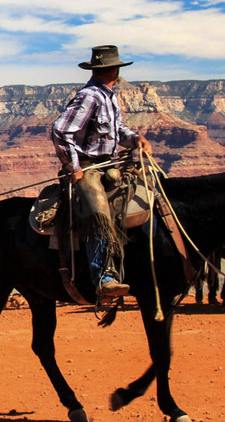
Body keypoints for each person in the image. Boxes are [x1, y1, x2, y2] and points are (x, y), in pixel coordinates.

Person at [50, 45, 152, 298]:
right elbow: (61, 130)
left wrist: (135, 139)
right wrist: (73, 166)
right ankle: (104, 276)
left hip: (109, 164)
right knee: (100, 214)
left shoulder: (109, 96)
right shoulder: (90, 96)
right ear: (113, 70)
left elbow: (117, 130)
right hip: (88, 168)